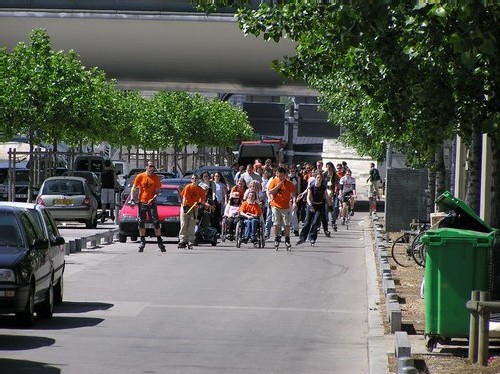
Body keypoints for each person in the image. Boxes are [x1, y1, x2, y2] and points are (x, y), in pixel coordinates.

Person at [130, 161, 165, 252]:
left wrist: (153, 198)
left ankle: (159, 241)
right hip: (142, 202)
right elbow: (134, 188)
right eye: (150, 166)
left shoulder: (155, 178)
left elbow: (157, 191)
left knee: (156, 222)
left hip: (152, 203)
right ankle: (142, 241)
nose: (151, 168)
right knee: (141, 222)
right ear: (146, 167)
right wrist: (132, 198)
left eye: (153, 166)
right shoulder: (140, 176)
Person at [297, 173, 332, 245]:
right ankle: (302, 238)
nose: (319, 179)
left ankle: (312, 238)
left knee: (315, 222)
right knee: (307, 222)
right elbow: (308, 197)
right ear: (315, 178)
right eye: (318, 178)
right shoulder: (311, 187)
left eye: (320, 178)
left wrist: (330, 206)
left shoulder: (323, 187)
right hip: (312, 205)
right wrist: (310, 205)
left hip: (320, 206)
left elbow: (327, 197)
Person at [267, 166, 297, 250]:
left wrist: (294, 202)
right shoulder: (274, 181)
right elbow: (270, 191)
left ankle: (287, 239)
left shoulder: (289, 183)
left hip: (285, 206)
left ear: (285, 175)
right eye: (278, 175)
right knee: (276, 223)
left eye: (281, 176)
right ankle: (276, 238)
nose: (280, 177)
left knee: (286, 224)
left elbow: (293, 194)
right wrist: (278, 186)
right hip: (275, 205)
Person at [178, 174, 207, 249]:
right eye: (193, 178)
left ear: (198, 180)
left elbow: (203, 199)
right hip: (186, 206)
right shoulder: (188, 187)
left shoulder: (200, 189)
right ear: (191, 180)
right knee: (184, 223)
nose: (194, 179)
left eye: (196, 178)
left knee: (192, 224)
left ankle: (190, 240)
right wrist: (184, 207)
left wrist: (202, 203)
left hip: (194, 208)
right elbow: (184, 197)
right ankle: (182, 240)